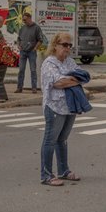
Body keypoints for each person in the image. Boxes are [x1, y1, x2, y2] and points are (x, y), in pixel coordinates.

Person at [36, 32, 82, 186]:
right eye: (64, 45)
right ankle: (46, 175)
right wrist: (73, 80)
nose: (68, 48)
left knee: (62, 140)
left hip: (70, 106)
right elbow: (58, 83)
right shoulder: (49, 63)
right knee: (50, 140)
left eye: (70, 45)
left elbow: (84, 76)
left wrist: (71, 80)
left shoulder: (69, 62)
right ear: (55, 45)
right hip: (54, 106)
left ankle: (63, 171)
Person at [16, 12, 44, 93]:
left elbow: (40, 40)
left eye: (25, 19)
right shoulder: (22, 28)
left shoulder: (36, 28)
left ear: (29, 18)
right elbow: (18, 38)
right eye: (23, 20)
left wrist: (35, 48)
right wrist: (18, 45)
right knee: (21, 70)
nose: (24, 21)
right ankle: (19, 88)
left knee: (33, 70)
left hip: (31, 52)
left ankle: (34, 88)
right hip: (23, 51)